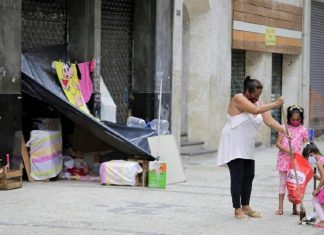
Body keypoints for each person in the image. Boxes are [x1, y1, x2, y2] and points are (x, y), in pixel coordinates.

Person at [217, 76, 285, 219]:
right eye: (254, 95)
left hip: (246, 146)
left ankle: (246, 206)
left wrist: (285, 130)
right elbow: (255, 110)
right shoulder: (238, 98)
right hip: (233, 144)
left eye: (259, 95)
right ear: (247, 91)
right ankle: (237, 209)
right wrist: (276, 103)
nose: (257, 98)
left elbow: (269, 121)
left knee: (249, 176)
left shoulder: (258, 102)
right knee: (237, 176)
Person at [275, 105, 309, 215]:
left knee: (294, 184)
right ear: (289, 117)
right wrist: (287, 150)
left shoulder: (303, 129)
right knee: (283, 183)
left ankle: (295, 209)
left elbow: (307, 144)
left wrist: (306, 156)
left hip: (296, 161)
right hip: (283, 160)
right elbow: (277, 143)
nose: (295, 121)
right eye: (293, 119)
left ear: (301, 119)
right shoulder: (284, 128)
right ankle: (280, 208)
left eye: (298, 119)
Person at [303, 143, 324, 228]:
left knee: (315, 200)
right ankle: (320, 218)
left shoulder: (319, 162)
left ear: (312, 153)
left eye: (308, 157)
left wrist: (317, 189)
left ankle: (323, 221)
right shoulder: (323, 158)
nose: (308, 160)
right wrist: (318, 178)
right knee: (321, 202)